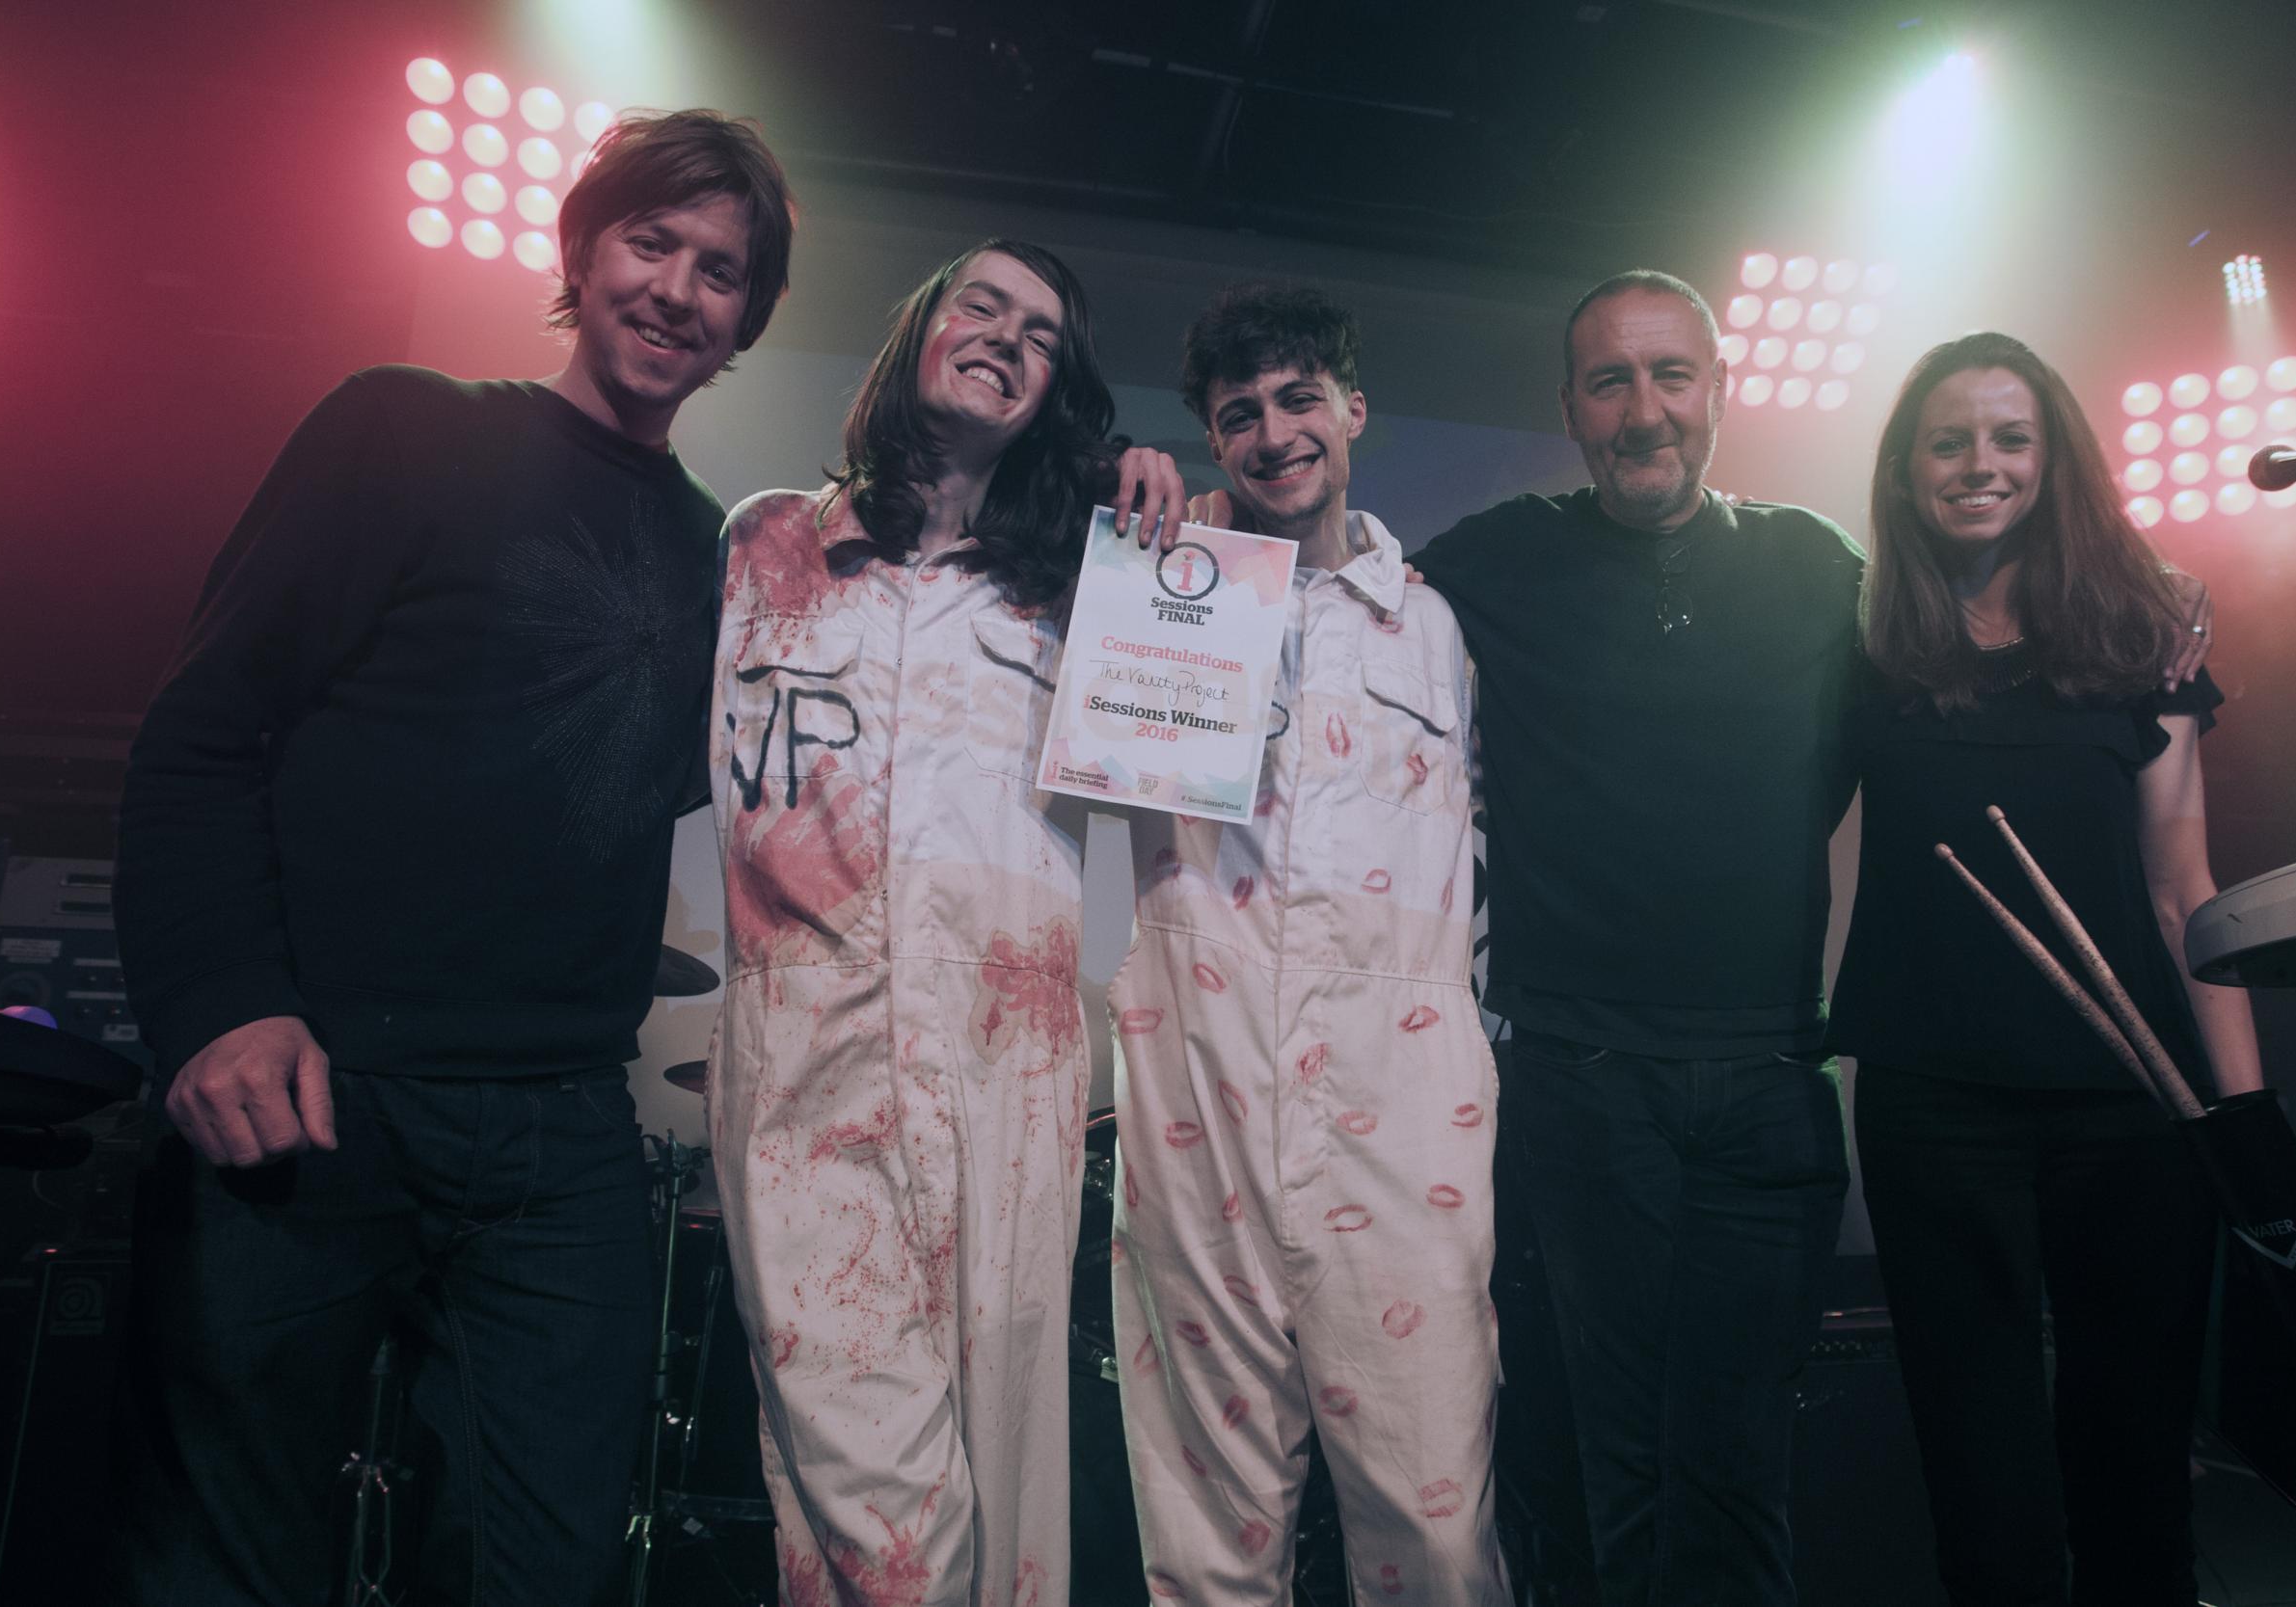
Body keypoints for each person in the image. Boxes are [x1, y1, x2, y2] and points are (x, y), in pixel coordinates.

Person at [1407, 272, 2213, 1606]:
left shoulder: (1824, 573)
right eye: (1611, 381)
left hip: (1775, 1084)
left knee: (1738, 1471)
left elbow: (2006, 649)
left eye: (1672, 376)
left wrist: (2155, 595)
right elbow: (1325, 580)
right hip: (1579, 1078)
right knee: (1615, 1466)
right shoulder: (1492, 556)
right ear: (1570, 408)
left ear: (1718, 392)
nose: (1644, 409)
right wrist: (1197, 514)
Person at [111, 111, 797, 1604]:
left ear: (749, 320)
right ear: (581, 248)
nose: (680, 290)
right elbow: (203, 736)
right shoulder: (402, 428)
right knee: (223, 1567)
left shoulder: (723, 559)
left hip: (559, 1138)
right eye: (653, 242)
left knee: (541, 1569)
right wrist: (220, 1002)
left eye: (723, 271)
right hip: (319, 1093)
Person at [705, 238, 1184, 1606]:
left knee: (1005, 1467)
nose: (1009, 338)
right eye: (984, 305)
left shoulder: (1075, 588)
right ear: (920, 326)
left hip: (1008, 1064)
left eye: (1043, 335)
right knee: (879, 1498)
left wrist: (1159, 518)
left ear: (1055, 390)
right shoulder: (762, 546)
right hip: (805, 1052)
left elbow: (1198, 753)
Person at [1826, 331, 2261, 1606]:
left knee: (2134, 1461)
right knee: (1981, 1472)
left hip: (2135, 1103)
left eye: (2010, 438)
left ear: (2054, 458)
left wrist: (2246, 1119)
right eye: (1949, 442)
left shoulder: (2148, 643)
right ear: (1906, 473)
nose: (1980, 464)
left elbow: (2188, 889)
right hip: (1932, 1103)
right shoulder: (1858, 654)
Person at [1110, 284, 1509, 1603]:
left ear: (1352, 408)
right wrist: (1138, 513)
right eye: (1239, 415)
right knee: (1207, 1531)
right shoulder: (1159, 591)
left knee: (1434, 1523)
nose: (1274, 434)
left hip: (1400, 1119)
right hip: (1201, 1095)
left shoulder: (1441, 632)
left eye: (1297, 400)